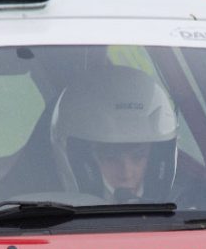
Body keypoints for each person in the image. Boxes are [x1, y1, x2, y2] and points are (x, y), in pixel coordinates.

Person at [49, 64, 179, 202]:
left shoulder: (186, 208)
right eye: (110, 158)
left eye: (138, 157)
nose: (126, 174)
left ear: (157, 159)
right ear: (79, 158)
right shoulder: (37, 209)